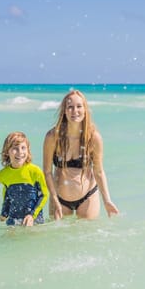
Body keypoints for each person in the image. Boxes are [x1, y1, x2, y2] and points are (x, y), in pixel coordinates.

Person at [43, 90, 119, 220]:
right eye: (70, 107)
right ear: (64, 111)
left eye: (79, 106)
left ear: (85, 109)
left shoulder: (93, 137)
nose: (75, 111)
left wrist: (107, 200)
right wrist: (55, 199)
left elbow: (99, 171)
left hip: (88, 197)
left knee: (86, 237)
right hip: (59, 199)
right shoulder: (53, 137)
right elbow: (47, 171)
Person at [0, 131, 49, 226]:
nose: (20, 152)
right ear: (7, 152)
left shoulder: (35, 171)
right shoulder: (3, 174)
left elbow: (44, 195)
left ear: (28, 150)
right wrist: (4, 212)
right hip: (13, 219)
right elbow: (7, 196)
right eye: (15, 149)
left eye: (23, 148)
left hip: (34, 220)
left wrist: (32, 215)